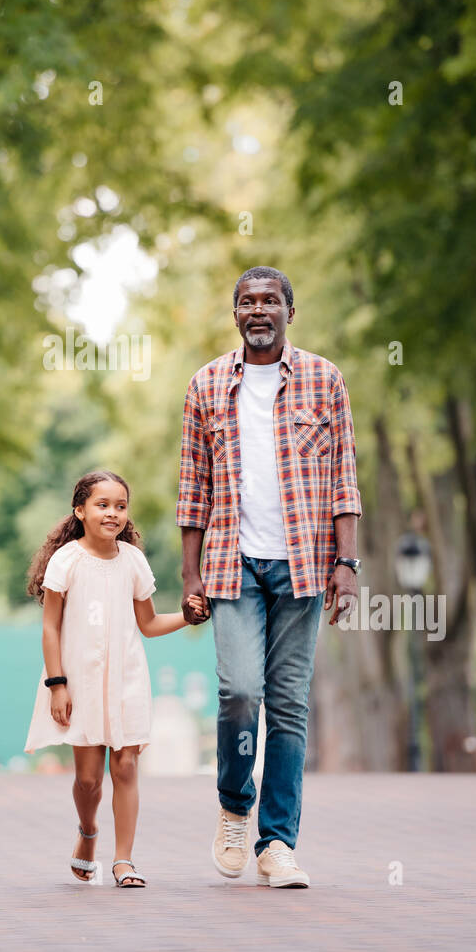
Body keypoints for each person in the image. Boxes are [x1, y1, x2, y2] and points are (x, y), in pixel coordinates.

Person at [176, 267, 362, 888]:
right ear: (234, 314)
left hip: (304, 567)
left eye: (271, 301)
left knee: (288, 706)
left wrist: (347, 562)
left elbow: (344, 479)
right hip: (231, 565)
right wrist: (188, 575)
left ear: (289, 310)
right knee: (239, 692)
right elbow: (191, 491)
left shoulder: (324, 378)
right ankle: (234, 806)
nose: (259, 310)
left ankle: (277, 843)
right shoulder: (205, 385)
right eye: (247, 302)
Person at [25, 469, 203, 887]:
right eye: (102, 505)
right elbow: (50, 628)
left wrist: (188, 618)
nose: (113, 513)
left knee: (125, 767)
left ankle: (124, 861)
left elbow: (149, 622)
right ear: (80, 510)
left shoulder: (134, 561)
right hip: (78, 684)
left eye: (120, 506)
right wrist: (58, 685)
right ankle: (88, 833)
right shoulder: (66, 560)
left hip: (128, 680)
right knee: (88, 781)